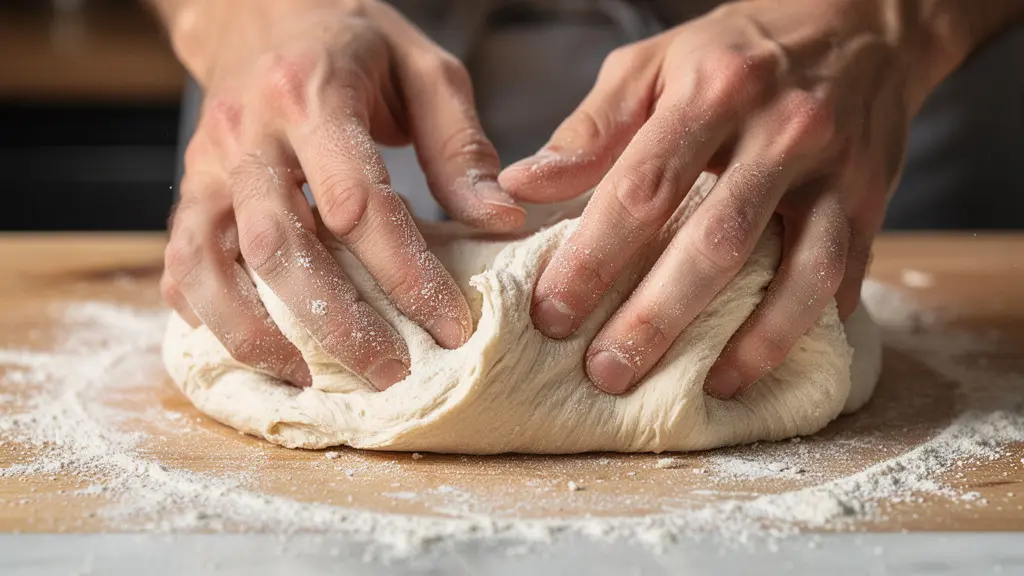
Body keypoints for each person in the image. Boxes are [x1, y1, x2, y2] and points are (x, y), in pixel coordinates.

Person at [149, 0, 1023, 400]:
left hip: (835, 117)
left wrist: (895, 17)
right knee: (293, 292)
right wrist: (236, 19)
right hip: (325, 114)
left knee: (801, 306)